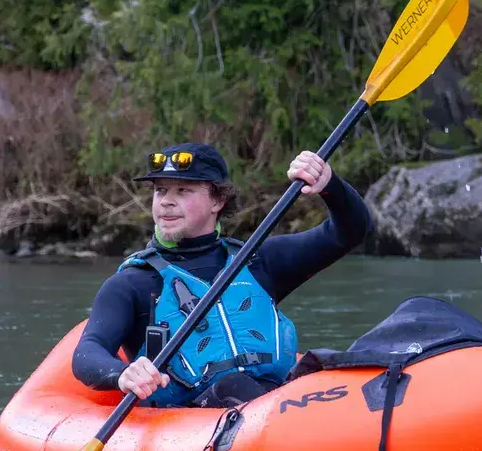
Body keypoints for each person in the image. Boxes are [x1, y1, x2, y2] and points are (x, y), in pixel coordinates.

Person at [71, 142, 373, 408]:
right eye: (160, 190)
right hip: (193, 418)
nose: (166, 201)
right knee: (232, 386)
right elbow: (88, 352)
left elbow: (348, 232)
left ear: (218, 201)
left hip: (279, 401)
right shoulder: (134, 283)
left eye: (183, 190)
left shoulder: (257, 261)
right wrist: (123, 373)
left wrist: (330, 185)